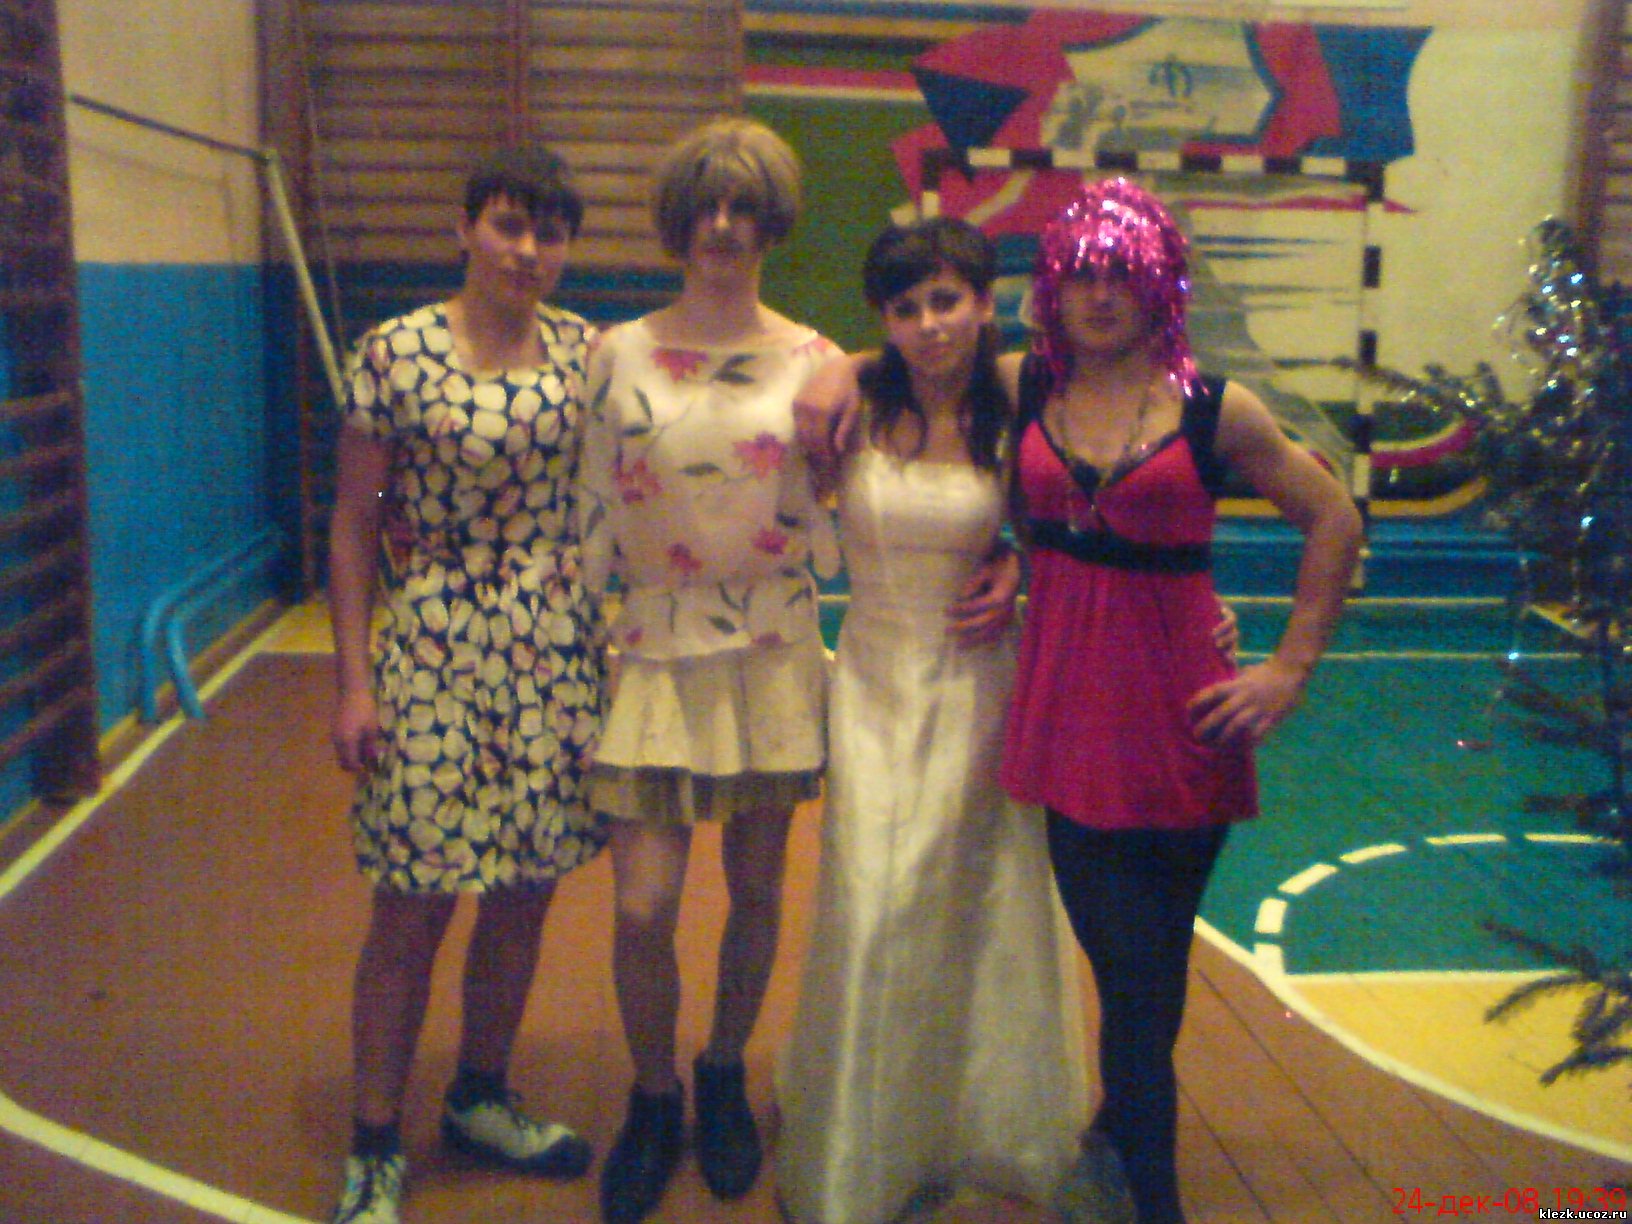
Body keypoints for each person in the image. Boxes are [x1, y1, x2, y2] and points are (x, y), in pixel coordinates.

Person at [1001, 178, 1363, 1224]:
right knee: (1134, 971)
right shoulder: (1023, 383)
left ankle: (1122, 1149)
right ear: (1054, 285)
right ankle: (1148, 1188)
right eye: (1083, 274)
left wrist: (1289, 667)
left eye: (1123, 273)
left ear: (1159, 284)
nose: (1101, 294)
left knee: (1147, 967)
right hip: (1068, 716)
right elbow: (901, 369)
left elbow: (1334, 518)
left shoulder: (1216, 407)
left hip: (1184, 722)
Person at [773, 218, 1087, 1224]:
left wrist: (1019, 566)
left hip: (976, 683)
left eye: (947, 299)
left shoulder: (1022, 400)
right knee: (870, 902)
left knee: (966, 902)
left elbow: (1059, 524)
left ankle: (953, 1121)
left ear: (986, 301)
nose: (930, 324)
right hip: (870, 680)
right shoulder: (851, 402)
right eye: (905, 308)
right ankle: (859, 1138)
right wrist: (846, 364)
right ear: (883, 320)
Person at [326, 144, 606, 1224]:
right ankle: (373, 1140)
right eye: (508, 224)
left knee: (525, 893)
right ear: (465, 229)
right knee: (411, 904)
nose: (528, 250)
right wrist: (355, 683)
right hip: (434, 644)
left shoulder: (586, 353)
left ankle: (480, 1096)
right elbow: (353, 525)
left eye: (549, 233)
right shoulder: (395, 352)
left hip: (553, 651)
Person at [575, 116, 844, 1224]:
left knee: (758, 889)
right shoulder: (616, 352)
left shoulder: (820, 360)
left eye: (742, 208)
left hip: (772, 650)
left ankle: (725, 1071)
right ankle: (654, 1097)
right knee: (643, 908)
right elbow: (590, 506)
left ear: (770, 223)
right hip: (651, 648)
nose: (723, 226)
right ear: (678, 223)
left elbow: (844, 506)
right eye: (705, 207)